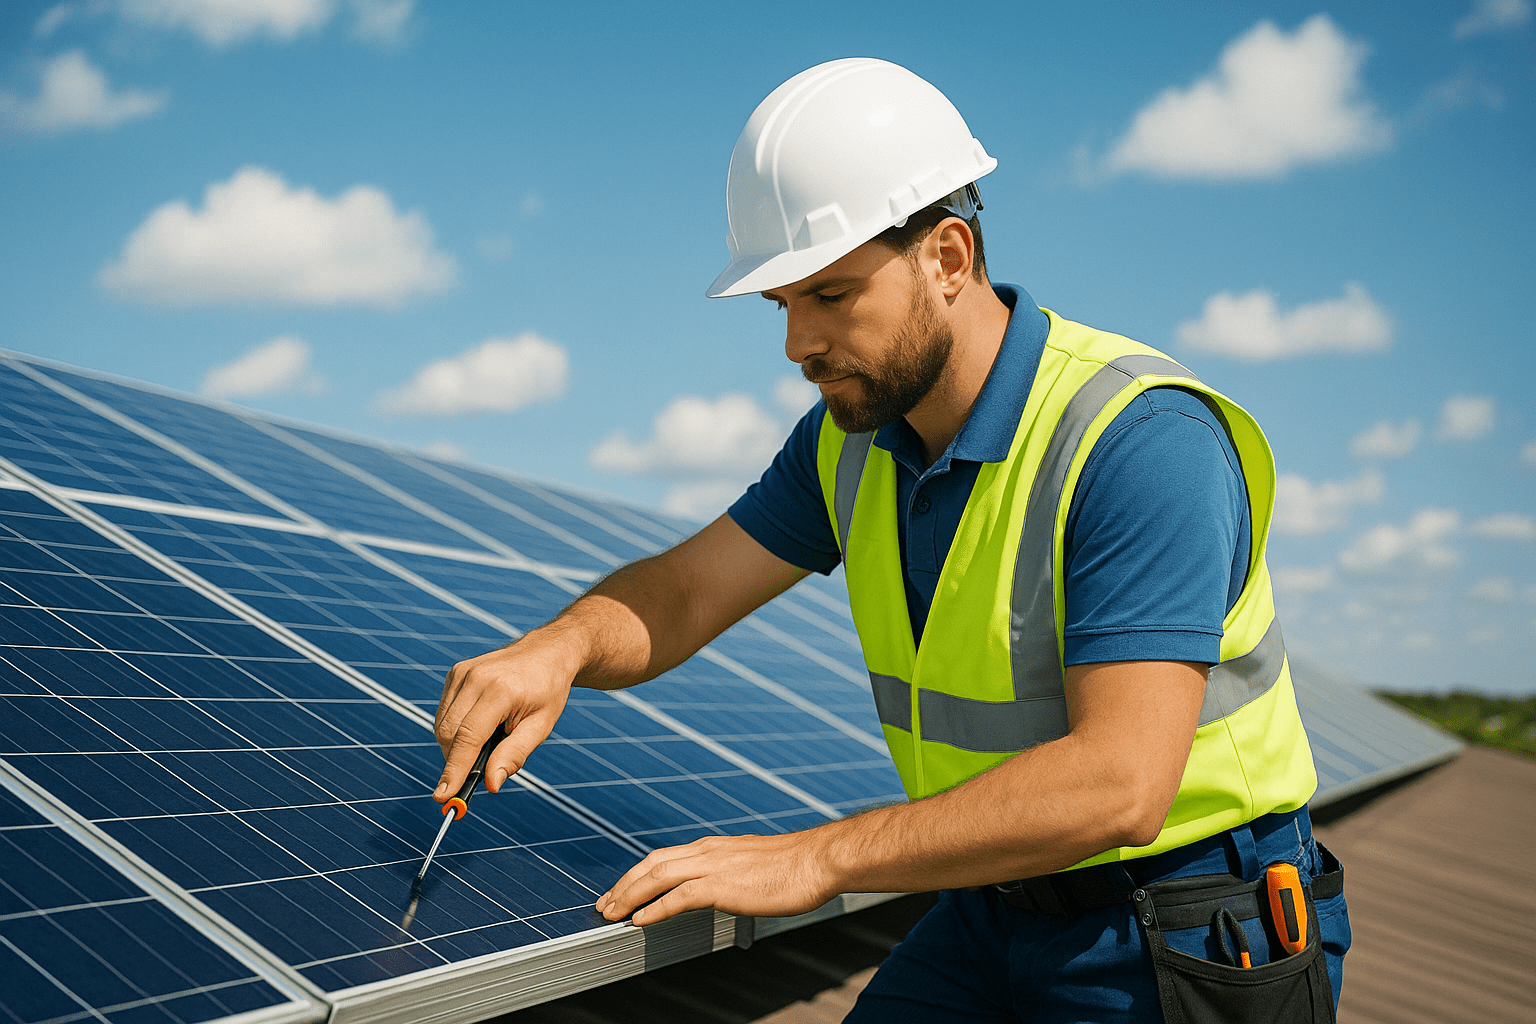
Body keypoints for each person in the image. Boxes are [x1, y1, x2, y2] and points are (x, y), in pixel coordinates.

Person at [434, 58, 1350, 1022]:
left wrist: (818, 858)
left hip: (1192, 926)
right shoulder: (850, 442)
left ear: (948, 257)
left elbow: (1121, 784)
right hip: (994, 898)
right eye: (782, 304)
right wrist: (562, 647)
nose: (797, 344)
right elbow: (689, 590)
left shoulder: (1141, 441)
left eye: (830, 295)